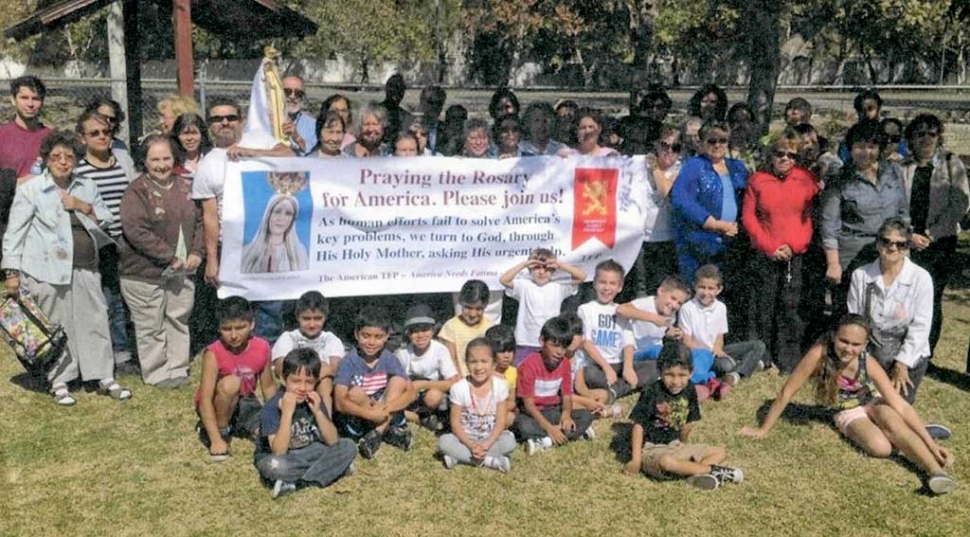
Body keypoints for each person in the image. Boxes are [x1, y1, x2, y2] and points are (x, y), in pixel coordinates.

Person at [738, 314, 957, 495]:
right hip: (845, 410)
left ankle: (936, 473)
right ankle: (910, 435)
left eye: (856, 344)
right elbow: (787, 392)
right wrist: (763, 429)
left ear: (865, 345)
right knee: (881, 448)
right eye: (844, 341)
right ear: (833, 336)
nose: (848, 348)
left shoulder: (867, 362)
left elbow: (900, 405)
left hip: (873, 401)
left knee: (893, 420)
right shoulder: (818, 354)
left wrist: (932, 445)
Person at [2, 132, 130, 406]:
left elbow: (106, 219)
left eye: (69, 156)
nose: (63, 162)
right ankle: (59, 379)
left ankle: (101, 375)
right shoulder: (31, 190)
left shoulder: (86, 184)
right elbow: (15, 233)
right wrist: (11, 273)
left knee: (94, 319)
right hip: (45, 268)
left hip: (85, 265)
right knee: (57, 324)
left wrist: (82, 206)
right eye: (56, 157)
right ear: (46, 160)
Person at [118, 135, 203, 388]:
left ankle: (177, 368)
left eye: (166, 158)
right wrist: (169, 256)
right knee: (150, 324)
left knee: (177, 318)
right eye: (155, 159)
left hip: (182, 270)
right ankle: (156, 373)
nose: (162, 164)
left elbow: (199, 222)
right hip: (143, 272)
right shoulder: (136, 191)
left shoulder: (186, 187)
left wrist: (197, 252)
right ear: (144, 161)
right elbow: (135, 230)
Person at [741, 130, 818, 372]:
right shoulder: (758, 181)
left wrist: (794, 247)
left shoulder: (806, 180)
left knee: (790, 308)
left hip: (794, 255)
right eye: (780, 153)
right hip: (765, 254)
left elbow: (809, 219)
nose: (785, 159)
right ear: (771, 155)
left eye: (792, 155)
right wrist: (769, 247)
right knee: (763, 307)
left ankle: (787, 358)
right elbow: (749, 219)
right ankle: (761, 355)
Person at [624, 339, 743, 490]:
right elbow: (638, 426)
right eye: (669, 374)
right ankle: (711, 470)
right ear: (660, 371)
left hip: (676, 446)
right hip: (652, 450)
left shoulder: (690, 390)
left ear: (691, 372)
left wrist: (685, 447)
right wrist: (635, 460)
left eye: (682, 375)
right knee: (666, 462)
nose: (676, 381)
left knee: (719, 452)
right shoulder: (651, 391)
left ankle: (692, 475)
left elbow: (687, 425)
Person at [820, 120, 908, 317]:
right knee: (849, 317)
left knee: (887, 314)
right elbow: (829, 225)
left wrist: (904, 248)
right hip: (853, 256)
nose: (865, 152)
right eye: (859, 146)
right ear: (850, 148)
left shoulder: (893, 172)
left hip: (889, 252)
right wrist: (833, 263)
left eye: (871, 146)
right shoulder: (839, 179)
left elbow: (903, 213)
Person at [899, 114, 969, 357]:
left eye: (932, 133)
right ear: (911, 139)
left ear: (939, 137)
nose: (926, 138)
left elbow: (959, 204)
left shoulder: (951, 164)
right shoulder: (902, 167)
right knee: (905, 296)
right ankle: (903, 347)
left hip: (940, 244)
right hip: (906, 243)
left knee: (931, 297)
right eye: (920, 134)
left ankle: (924, 351)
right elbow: (896, 204)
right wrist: (909, 235)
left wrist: (931, 235)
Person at [75, 109, 138, 373]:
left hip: (129, 239)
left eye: (106, 132)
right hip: (99, 242)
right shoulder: (79, 169)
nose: (102, 137)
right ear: (82, 138)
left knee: (126, 298)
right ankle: (113, 353)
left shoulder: (122, 160)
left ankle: (126, 349)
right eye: (94, 133)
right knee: (107, 299)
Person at [846, 218, 933, 405]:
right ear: (878, 244)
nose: (892, 248)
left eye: (900, 244)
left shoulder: (921, 278)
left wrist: (902, 363)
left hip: (908, 358)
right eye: (886, 242)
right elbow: (855, 322)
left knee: (891, 410)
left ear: (907, 247)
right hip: (871, 355)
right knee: (860, 409)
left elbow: (921, 327)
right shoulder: (861, 275)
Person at [255, 348, 357, 499]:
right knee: (272, 466)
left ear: (316, 382)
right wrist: (287, 414)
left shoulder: (315, 399)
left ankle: (296, 483)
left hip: (311, 451)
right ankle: (332, 470)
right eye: (295, 381)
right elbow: (279, 451)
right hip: (284, 457)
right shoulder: (272, 407)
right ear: (284, 379)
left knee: (348, 446)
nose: (302, 388)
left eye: (309, 382)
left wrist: (318, 412)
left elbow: (333, 440)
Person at [194, 296, 276, 461]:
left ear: (252, 324)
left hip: (246, 401)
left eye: (240, 328)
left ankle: (238, 426)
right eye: (227, 329)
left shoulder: (262, 347)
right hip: (218, 400)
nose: (233, 335)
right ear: (219, 328)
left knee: (269, 435)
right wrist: (216, 440)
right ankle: (220, 431)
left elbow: (268, 387)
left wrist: (275, 417)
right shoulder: (213, 353)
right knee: (232, 383)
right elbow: (205, 398)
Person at [670, 120, 748, 283]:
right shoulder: (694, 165)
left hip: (731, 242)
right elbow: (680, 198)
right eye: (712, 141)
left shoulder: (738, 167)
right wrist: (713, 223)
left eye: (722, 141)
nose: (717, 145)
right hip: (699, 242)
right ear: (701, 142)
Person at [333, 307, 416, 459]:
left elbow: (411, 392)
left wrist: (385, 408)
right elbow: (339, 402)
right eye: (366, 336)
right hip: (361, 415)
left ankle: (378, 433)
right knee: (356, 393)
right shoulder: (348, 361)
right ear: (356, 334)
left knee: (399, 381)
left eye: (378, 337)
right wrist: (370, 414)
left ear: (387, 337)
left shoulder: (389, 358)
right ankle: (386, 432)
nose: (371, 342)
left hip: (383, 411)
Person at [577, 260, 658, 402]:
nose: (607, 288)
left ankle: (613, 391)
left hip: (619, 364)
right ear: (594, 283)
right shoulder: (586, 309)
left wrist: (628, 368)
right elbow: (586, 343)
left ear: (620, 287)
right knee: (588, 374)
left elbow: (628, 344)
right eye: (603, 282)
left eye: (612, 283)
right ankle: (621, 387)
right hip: (598, 365)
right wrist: (606, 368)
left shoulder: (622, 310)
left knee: (655, 367)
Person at [514, 316, 596, 455]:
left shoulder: (564, 364)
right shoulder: (529, 365)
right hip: (532, 414)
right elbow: (529, 405)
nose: (560, 352)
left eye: (564, 347)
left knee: (586, 416)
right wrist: (549, 429)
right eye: (555, 345)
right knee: (522, 426)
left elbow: (567, 397)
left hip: (553, 411)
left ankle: (545, 441)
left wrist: (566, 415)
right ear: (542, 341)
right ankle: (569, 433)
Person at [437, 338, 517, 472]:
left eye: (484, 361)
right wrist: (470, 444)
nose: (479, 367)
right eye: (473, 362)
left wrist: (487, 443)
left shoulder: (500, 386)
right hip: (465, 438)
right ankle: (490, 461)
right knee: (444, 442)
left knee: (510, 442)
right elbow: (455, 424)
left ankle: (459, 457)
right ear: (467, 363)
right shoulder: (459, 388)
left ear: (493, 363)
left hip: (489, 438)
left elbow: (501, 421)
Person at [678, 265, 766, 384]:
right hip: (698, 355)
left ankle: (737, 374)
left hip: (715, 352)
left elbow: (720, 336)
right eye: (702, 287)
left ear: (719, 290)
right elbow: (686, 342)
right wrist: (706, 353)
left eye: (711, 288)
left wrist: (718, 348)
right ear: (694, 286)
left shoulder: (721, 307)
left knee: (758, 345)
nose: (706, 292)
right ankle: (744, 365)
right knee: (726, 366)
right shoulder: (687, 308)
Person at [623, 125, 682, 302]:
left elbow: (666, 191)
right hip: (640, 239)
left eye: (675, 147)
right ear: (656, 145)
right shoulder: (639, 164)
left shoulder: (682, 168)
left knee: (662, 288)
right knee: (639, 289)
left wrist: (655, 168)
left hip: (666, 240)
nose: (669, 151)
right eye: (665, 146)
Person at [500, 248, 584, 365]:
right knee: (522, 375)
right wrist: (525, 264)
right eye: (537, 267)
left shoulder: (558, 287)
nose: (542, 272)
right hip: (525, 341)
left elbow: (581, 277)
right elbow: (504, 279)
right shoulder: (524, 285)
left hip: (549, 343)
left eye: (547, 269)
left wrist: (560, 265)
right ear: (531, 268)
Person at [271, 291, 345, 414]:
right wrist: (315, 370)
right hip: (294, 386)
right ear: (297, 317)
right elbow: (280, 368)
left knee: (325, 382)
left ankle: (326, 423)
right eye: (306, 319)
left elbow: (335, 369)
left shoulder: (331, 339)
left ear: (325, 317)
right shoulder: (288, 337)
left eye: (317, 319)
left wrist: (302, 370)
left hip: (320, 387)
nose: (312, 324)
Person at [396, 303, 459, 432]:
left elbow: (453, 382)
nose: (420, 335)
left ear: (432, 330)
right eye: (414, 331)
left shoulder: (440, 350)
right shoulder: (402, 353)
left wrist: (422, 384)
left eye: (425, 330)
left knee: (434, 397)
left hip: (429, 390)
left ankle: (423, 415)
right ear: (408, 333)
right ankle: (418, 417)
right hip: (409, 393)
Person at [615, 275, 690, 377]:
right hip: (633, 353)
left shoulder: (671, 315)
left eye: (679, 303)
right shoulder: (646, 303)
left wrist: (671, 333)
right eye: (673, 298)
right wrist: (653, 318)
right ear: (661, 291)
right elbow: (621, 310)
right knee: (661, 352)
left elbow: (660, 332)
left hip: (652, 354)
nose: (675, 305)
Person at [240, 194, 309, 273]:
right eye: (277, 211)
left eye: (288, 214)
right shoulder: (246, 252)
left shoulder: (299, 253)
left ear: (292, 220)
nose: (281, 218)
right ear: (268, 215)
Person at [440, 280, 495, 377]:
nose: (473, 314)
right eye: (468, 308)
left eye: (478, 309)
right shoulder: (451, 327)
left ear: (485, 306)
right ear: (460, 302)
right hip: (460, 381)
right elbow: (450, 361)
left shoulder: (490, 327)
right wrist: (461, 384)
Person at [0, 76, 52, 178]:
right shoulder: (2, 135)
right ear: (13, 100)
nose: (30, 104)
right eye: (24, 98)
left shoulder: (52, 137)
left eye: (35, 99)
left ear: (42, 102)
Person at [485, 324, 518, 423]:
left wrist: (498, 410)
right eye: (501, 352)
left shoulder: (513, 373)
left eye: (510, 351)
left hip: (499, 411)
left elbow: (512, 401)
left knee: (510, 417)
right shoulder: (484, 371)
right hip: (479, 411)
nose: (507, 356)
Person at [281, 75, 317, 156]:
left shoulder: (313, 125)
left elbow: (315, 153)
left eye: (298, 93)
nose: (292, 96)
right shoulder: (265, 121)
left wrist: (297, 138)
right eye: (287, 91)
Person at [379, 74, 411, 144]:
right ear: (387, 89)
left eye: (400, 90)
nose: (396, 93)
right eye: (393, 88)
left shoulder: (406, 117)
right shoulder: (375, 112)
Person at [418, 85, 447, 153]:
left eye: (438, 103)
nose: (435, 106)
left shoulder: (447, 131)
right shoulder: (411, 129)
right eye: (431, 102)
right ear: (421, 103)